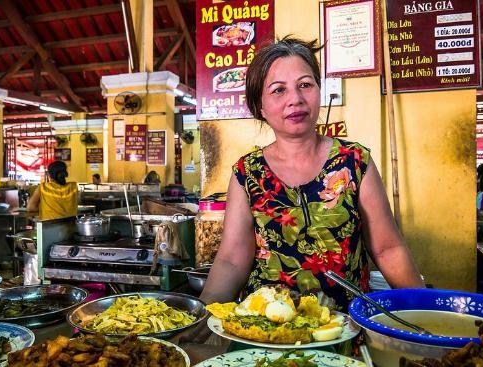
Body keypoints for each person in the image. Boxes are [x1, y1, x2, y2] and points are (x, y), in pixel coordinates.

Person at [179, 35, 424, 345]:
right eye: (278, 90)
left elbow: (388, 249)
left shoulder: (354, 163)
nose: (294, 98)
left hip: (340, 332)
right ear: (260, 106)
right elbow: (231, 259)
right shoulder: (248, 172)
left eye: (305, 85)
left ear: (319, 91)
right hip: (263, 335)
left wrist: (422, 311)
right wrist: (205, 312)